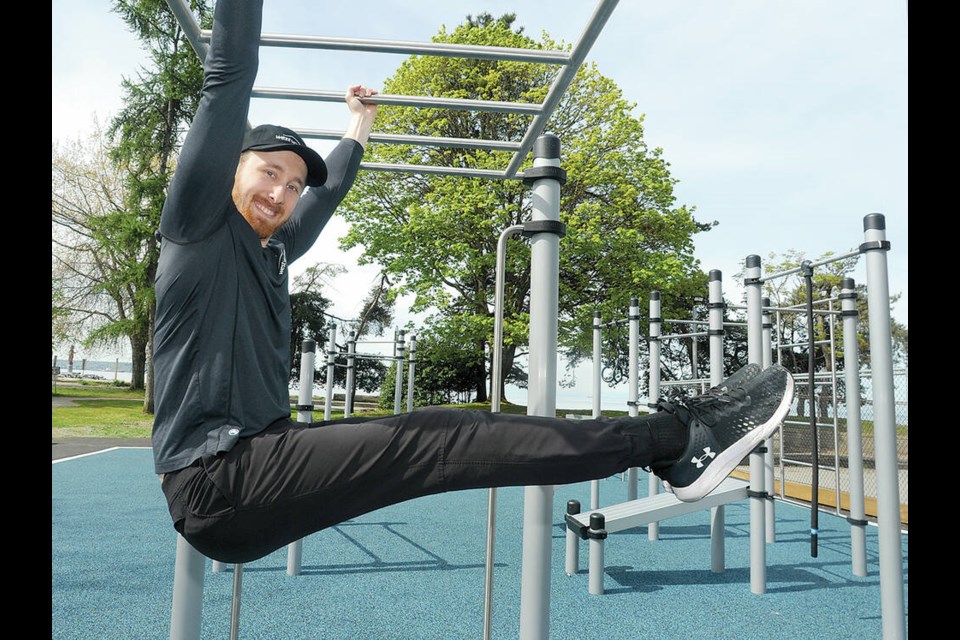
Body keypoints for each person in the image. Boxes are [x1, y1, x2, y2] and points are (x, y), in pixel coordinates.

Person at [154, 0, 795, 566]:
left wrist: (359, 126)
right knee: (441, 442)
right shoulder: (198, 226)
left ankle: (675, 441)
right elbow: (228, 78)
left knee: (445, 429)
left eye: (292, 185)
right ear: (229, 171)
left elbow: (331, 192)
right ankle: (677, 441)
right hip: (218, 478)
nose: (281, 193)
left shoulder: (275, 249)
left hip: (259, 463)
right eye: (269, 173)